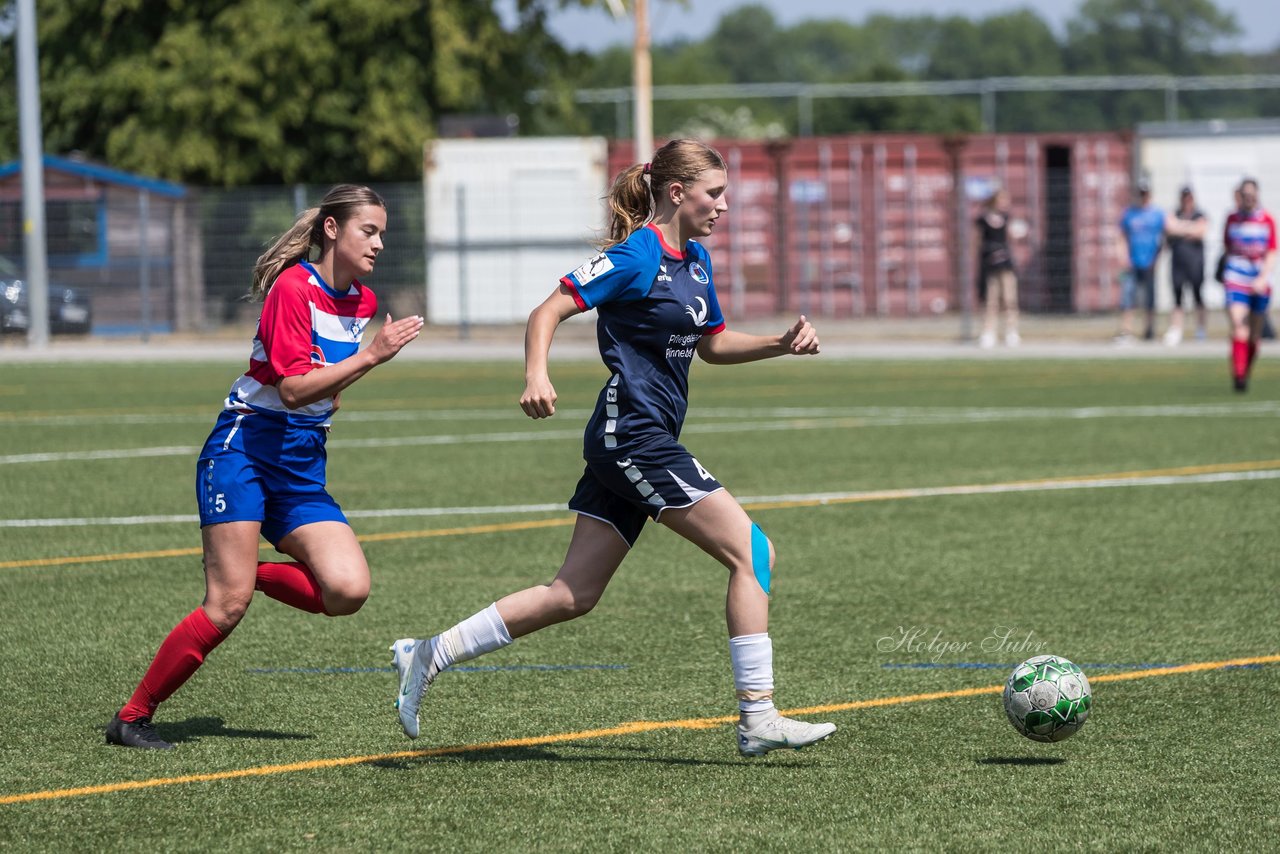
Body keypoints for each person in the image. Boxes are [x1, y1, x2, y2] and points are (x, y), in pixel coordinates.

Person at [389, 139, 836, 757]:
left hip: (638, 440)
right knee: (752, 554)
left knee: (572, 594)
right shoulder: (636, 255)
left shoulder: (696, 260)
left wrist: (780, 345)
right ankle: (757, 716)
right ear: (677, 193)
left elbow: (714, 344)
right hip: (633, 438)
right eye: (715, 193)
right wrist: (536, 373)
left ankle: (428, 653)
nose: (725, 206)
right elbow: (548, 309)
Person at [106, 185, 424, 749]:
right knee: (227, 605)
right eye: (367, 230)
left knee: (347, 591)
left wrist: (346, 380)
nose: (379, 243)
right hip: (245, 450)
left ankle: (244, 572)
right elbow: (296, 388)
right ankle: (133, 716)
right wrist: (372, 356)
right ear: (332, 230)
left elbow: (327, 382)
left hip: (300, 464)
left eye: (381, 233)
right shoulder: (293, 288)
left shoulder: (364, 302)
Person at [1222, 177, 1277, 391]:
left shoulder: (1267, 220)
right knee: (1238, 325)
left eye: (1251, 195)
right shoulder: (1231, 219)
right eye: (1244, 195)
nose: (1248, 199)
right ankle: (1239, 376)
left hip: (1259, 281)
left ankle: (1246, 368)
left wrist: (1263, 277)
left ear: (1257, 195)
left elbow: (1272, 252)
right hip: (1236, 279)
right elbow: (1228, 249)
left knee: (1254, 334)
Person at [1116, 178, 1166, 343]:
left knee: (1149, 298)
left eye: (1145, 193)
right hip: (1132, 262)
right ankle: (1126, 330)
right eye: (1140, 193)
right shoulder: (1129, 214)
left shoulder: (1157, 214)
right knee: (1128, 297)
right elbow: (1121, 236)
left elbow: (1165, 236)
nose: (1143, 196)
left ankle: (1149, 330)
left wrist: (1158, 258)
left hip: (1150, 263)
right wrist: (1123, 256)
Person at [975, 188, 1020, 349]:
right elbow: (977, 242)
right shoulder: (982, 219)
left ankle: (1011, 331)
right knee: (990, 300)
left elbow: (1012, 239)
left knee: (1009, 298)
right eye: (1002, 199)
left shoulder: (1007, 218)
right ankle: (988, 332)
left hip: (1006, 263)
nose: (1005, 203)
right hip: (989, 263)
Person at [1163, 186, 1209, 346]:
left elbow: (1201, 230)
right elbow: (1169, 227)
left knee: (1198, 297)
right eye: (1184, 197)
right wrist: (1189, 228)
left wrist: (1180, 228)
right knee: (1177, 298)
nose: (1186, 200)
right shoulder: (1175, 213)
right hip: (1178, 263)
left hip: (1196, 263)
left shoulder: (1199, 214)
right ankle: (1176, 330)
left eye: (1188, 197)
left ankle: (1201, 330)